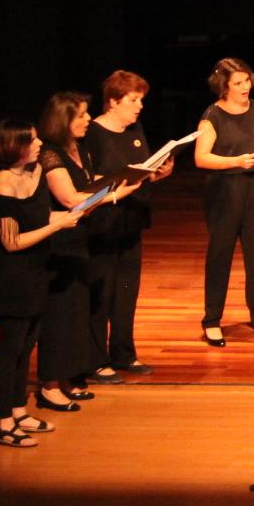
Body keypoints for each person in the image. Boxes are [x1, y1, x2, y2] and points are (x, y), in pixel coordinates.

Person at [36, 92, 139, 410]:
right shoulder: (50, 154)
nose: (88, 119)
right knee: (59, 316)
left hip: (80, 240)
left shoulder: (79, 148)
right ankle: (49, 385)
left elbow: (89, 180)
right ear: (64, 120)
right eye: (81, 115)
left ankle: (69, 376)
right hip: (59, 246)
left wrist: (124, 177)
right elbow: (70, 199)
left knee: (77, 313)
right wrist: (112, 195)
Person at [0, 118, 82, 447]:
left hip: (39, 269)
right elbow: (12, 242)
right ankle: (3, 423)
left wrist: (69, 215)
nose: (40, 144)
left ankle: (18, 410)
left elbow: (39, 217)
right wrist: (56, 226)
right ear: (16, 147)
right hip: (12, 276)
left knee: (27, 346)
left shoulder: (36, 172)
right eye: (33, 141)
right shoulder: (2, 184)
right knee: (11, 347)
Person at [82, 70, 172, 381]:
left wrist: (156, 173)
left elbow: (140, 170)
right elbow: (87, 182)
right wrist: (116, 184)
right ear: (112, 102)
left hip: (131, 221)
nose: (139, 107)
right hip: (102, 224)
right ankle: (95, 360)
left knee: (125, 293)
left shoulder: (135, 129)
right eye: (133, 100)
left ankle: (123, 354)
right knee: (101, 294)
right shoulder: (93, 134)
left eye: (141, 100)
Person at [194, 58, 254, 346]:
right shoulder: (212, 116)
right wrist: (236, 161)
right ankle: (212, 320)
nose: (245, 87)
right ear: (224, 87)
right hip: (225, 190)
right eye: (238, 83)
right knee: (220, 255)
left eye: (247, 81)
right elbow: (201, 157)